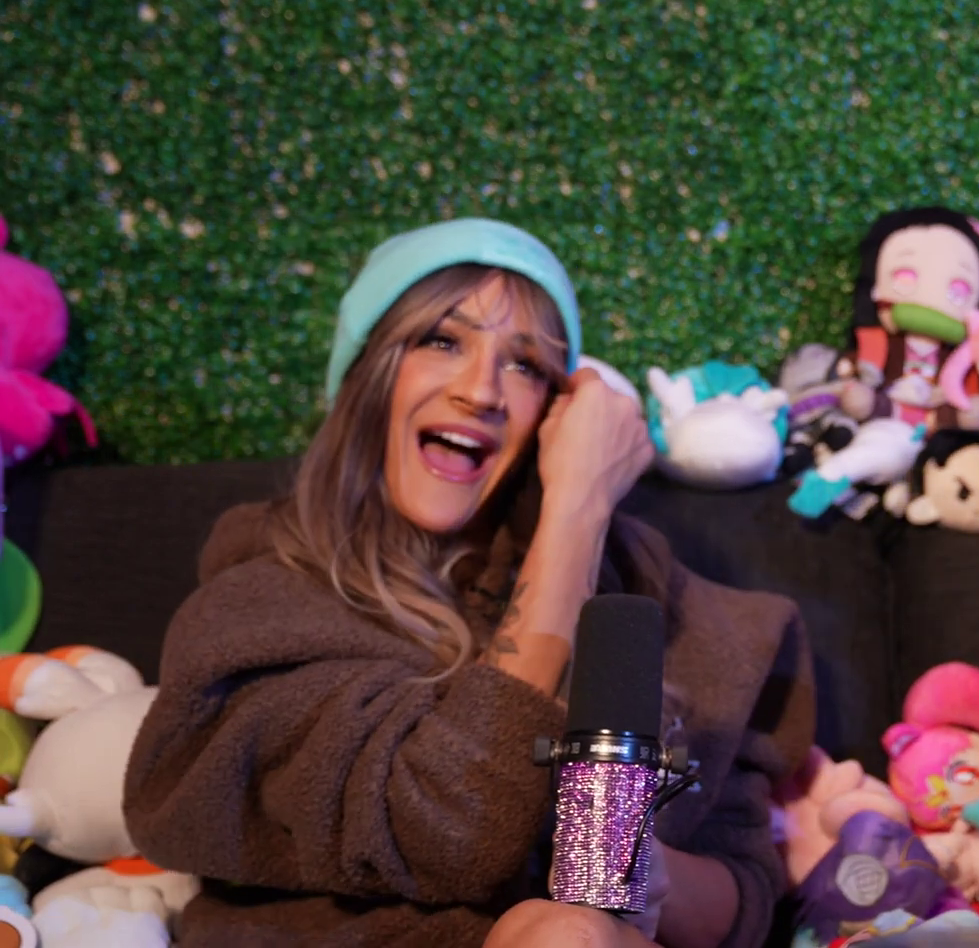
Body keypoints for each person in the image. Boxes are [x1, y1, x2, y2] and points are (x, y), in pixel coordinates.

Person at [123, 219, 816, 948]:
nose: (482, 391)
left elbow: (743, 899)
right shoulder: (260, 612)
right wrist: (577, 510)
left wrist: (629, 862)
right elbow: (449, 828)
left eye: (525, 365)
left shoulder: (654, 602)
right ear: (366, 375)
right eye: (442, 341)